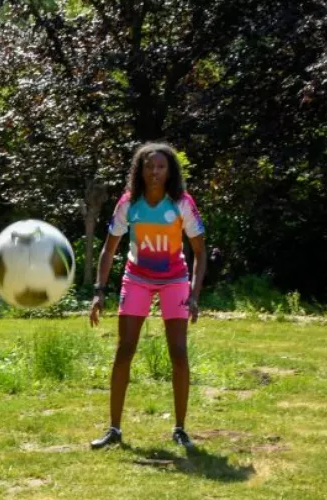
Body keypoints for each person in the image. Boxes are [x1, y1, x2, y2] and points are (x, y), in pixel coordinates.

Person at [86, 143, 208, 452]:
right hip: (137, 278)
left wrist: (194, 295)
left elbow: (199, 253)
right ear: (140, 170)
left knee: (178, 353)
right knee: (124, 350)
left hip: (174, 280)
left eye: (161, 167)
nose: (154, 172)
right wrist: (99, 292)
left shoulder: (181, 203)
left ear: (170, 172)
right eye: (149, 166)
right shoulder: (129, 203)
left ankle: (180, 429)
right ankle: (114, 429)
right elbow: (109, 249)